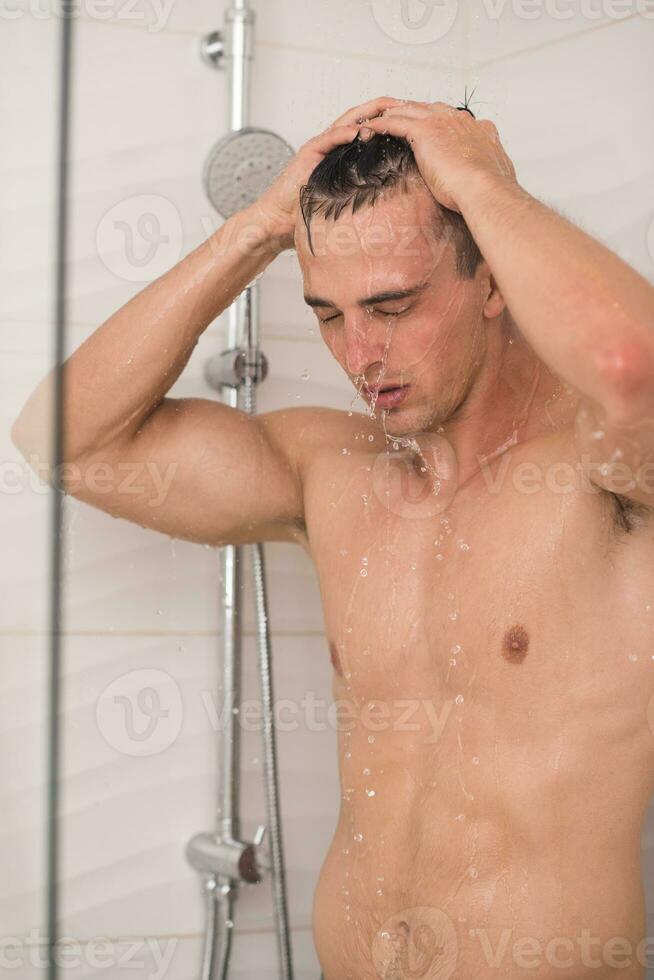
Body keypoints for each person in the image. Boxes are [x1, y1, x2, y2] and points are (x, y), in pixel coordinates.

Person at [12, 96, 654, 979]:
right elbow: (62, 438)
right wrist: (256, 232)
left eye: (392, 307)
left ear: (493, 279)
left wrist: (483, 187)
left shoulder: (607, 474)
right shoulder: (334, 473)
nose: (360, 357)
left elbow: (632, 364)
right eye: (328, 314)